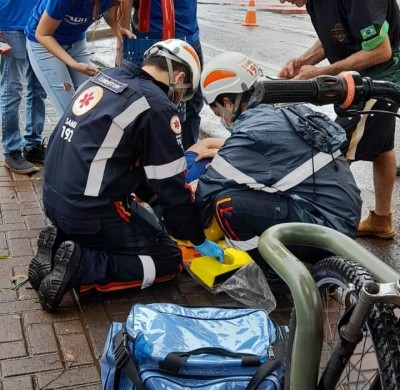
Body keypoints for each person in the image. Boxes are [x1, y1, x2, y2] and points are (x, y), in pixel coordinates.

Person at [27, 39, 224, 313]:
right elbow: (172, 188)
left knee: (151, 228)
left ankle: (60, 245)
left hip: (53, 199)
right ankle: (84, 268)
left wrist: (156, 205)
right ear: (179, 77)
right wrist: (196, 238)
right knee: (168, 258)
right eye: (183, 90)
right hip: (89, 212)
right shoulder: (156, 107)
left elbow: (139, 167)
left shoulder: (106, 76)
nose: (178, 97)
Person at [195, 51, 362, 279]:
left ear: (227, 102)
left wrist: (190, 232)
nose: (221, 118)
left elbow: (206, 194)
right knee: (247, 187)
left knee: (226, 205)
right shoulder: (278, 108)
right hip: (338, 220)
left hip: (328, 232)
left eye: (218, 113)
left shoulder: (250, 133)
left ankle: (274, 278)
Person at [278, 0, 399, 239]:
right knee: (382, 145)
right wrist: (304, 61)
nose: (283, 1)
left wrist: (321, 73)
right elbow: (337, 33)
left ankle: (326, 231)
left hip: (385, 74)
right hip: (358, 76)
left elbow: (380, 50)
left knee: (333, 150)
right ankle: (381, 220)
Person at [24, 0, 133, 119]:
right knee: (69, 112)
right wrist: (73, 64)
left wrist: (118, 28)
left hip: (76, 41)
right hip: (44, 42)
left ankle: (86, 135)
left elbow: (106, 10)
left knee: (90, 101)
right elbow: (42, 34)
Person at [131, 0, 204, 150]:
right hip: (157, 37)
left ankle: (188, 154)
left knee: (193, 102)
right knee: (155, 103)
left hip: (190, 36)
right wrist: (122, 40)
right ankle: (158, 153)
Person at [0, 0, 47, 174]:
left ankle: (33, 145)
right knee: (12, 89)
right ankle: (12, 150)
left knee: (38, 88)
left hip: (39, 22)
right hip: (9, 23)